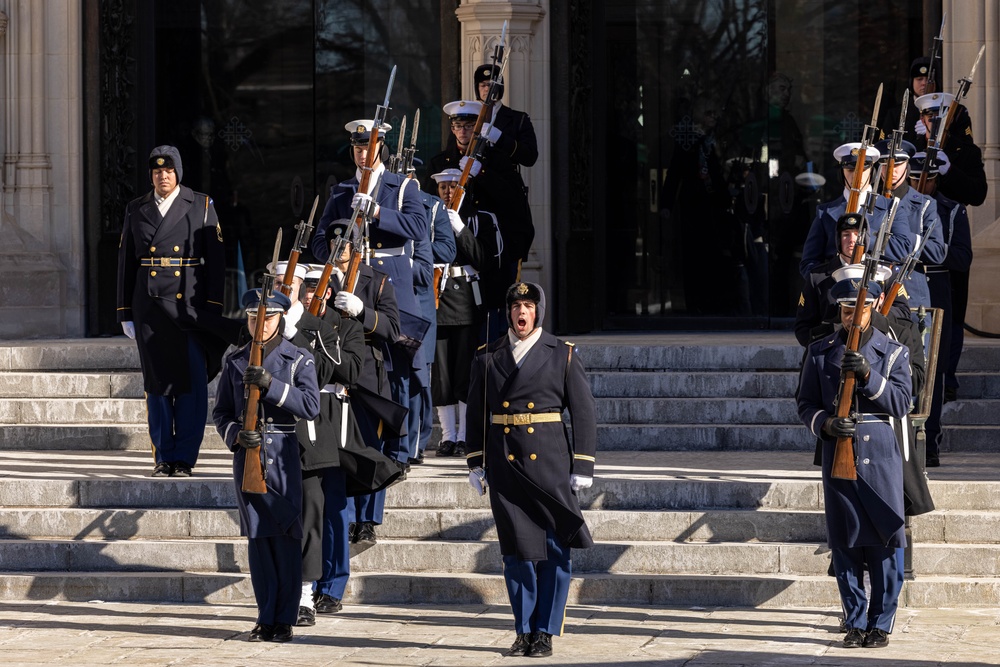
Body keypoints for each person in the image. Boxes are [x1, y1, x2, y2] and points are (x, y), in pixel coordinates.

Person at [465, 282, 597, 658]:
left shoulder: (562, 354)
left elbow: (583, 411)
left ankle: (545, 631)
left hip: (551, 463)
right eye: (516, 306)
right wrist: (476, 462)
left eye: (528, 305)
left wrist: (583, 463)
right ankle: (523, 628)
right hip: (506, 462)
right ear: (508, 312)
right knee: (517, 551)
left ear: (539, 311)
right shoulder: (487, 355)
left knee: (555, 549)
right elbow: (476, 412)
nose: (522, 313)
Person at [797, 274, 912, 649]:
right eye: (847, 309)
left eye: (860, 308)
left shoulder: (893, 353)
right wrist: (826, 424)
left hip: (879, 457)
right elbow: (805, 404)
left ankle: (881, 622)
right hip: (838, 453)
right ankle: (854, 619)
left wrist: (867, 375)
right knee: (845, 540)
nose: (852, 317)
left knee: (885, 539)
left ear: (874, 308)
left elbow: (900, 403)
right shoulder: (819, 351)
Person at [117, 145, 241, 477]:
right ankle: (163, 456)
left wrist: (212, 310)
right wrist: (125, 311)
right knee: (157, 385)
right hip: (150, 308)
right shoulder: (136, 208)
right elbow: (127, 263)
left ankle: (184, 457)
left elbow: (215, 261)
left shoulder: (200, 204)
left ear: (178, 173)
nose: (162, 176)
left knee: (190, 385)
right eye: (157, 171)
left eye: (168, 171)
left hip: (189, 308)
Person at [313, 119, 429, 467]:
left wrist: (377, 211)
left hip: (391, 281)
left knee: (400, 369)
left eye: (369, 147)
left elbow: (418, 228)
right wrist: (338, 253)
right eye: (358, 148)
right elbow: (320, 240)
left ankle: (402, 452)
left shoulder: (402, 186)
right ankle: (365, 445)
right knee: (359, 364)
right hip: (354, 279)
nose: (363, 154)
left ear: (381, 149)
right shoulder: (341, 191)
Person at [212, 288, 321, 643]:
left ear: (280, 319)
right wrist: (235, 436)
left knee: (286, 539)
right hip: (249, 458)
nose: (259, 324)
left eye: (268, 317)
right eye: (254, 317)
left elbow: (310, 406)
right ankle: (265, 616)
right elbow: (222, 413)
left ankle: (285, 618)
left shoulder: (298, 358)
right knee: (259, 541)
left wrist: (272, 385)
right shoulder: (235, 360)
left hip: (283, 458)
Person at [268, 261, 366, 626]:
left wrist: (303, 328)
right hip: (286, 424)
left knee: (332, 511)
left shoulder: (338, 327)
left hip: (327, 423)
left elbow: (340, 370)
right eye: (303, 287)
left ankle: (329, 586)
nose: (310, 293)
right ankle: (297, 587)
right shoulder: (274, 322)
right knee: (300, 510)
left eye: (315, 287)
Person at [309, 221, 403, 547]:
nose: (340, 246)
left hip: (366, 375)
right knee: (338, 452)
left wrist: (363, 311)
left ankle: (368, 520)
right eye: (333, 240)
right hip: (332, 373)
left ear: (357, 246)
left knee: (368, 448)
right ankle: (346, 517)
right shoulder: (318, 279)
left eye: (346, 241)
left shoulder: (376, 281)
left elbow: (392, 329)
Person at [429, 100, 521, 341]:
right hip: (451, 249)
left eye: (469, 126)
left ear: (478, 128)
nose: (463, 131)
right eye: (458, 126)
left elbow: (511, 198)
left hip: (485, 240)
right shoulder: (440, 163)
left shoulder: (496, 161)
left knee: (490, 323)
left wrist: (481, 173)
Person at [431, 168, 502, 458]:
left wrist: (460, 230)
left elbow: (487, 259)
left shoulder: (482, 218)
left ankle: (464, 436)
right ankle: (447, 436)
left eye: (453, 186)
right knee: (441, 375)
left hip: (466, 301)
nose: (448, 192)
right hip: (436, 299)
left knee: (463, 373)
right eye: (443, 187)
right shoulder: (428, 217)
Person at [909, 152, 972, 467]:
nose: (921, 185)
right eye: (915, 179)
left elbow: (963, 258)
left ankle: (927, 442)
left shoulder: (953, 210)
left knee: (932, 372)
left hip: (935, 293)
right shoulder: (892, 208)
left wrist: (928, 249)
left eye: (928, 179)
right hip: (903, 292)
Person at [404, 166, 457, 463]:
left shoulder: (432, 206)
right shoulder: (384, 206)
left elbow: (448, 250)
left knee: (419, 377)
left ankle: (417, 443)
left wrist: (414, 253)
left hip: (421, 297)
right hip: (390, 297)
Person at [799, 142, 912, 279]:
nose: (857, 176)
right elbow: (808, 263)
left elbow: (904, 250)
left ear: (872, 171)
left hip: (877, 289)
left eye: (863, 170)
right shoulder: (825, 212)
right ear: (842, 174)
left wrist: (864, 238)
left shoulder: (891, 208)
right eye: (850, 170)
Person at [872, 138, 945, 311]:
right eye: (885, 164)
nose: (891, 170)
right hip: (874, 293)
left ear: (907, 166)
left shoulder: (924, 204)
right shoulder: (870, 203)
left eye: (898, 164)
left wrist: (901, 239)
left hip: (910, 291)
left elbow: (937, 251)